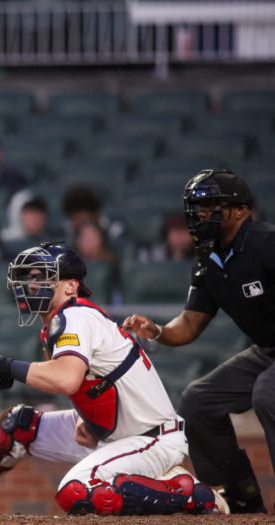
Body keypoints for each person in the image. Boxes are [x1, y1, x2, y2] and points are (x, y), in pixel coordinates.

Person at [0, 243, 222, 516]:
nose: (32, 284)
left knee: (77, 493)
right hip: (116, 431)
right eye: (30, 277)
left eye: (43, 277)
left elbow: (67, 380)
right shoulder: (66, 319)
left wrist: (0, 364)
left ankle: (188, 493)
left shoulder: (75, 316)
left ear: (71, 285)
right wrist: (90, 418)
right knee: (17, 427)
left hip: (152, 438)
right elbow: (94, 382)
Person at [122, 170, 275, 514]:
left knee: (268, 393)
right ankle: (241, 498)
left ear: (241, 210)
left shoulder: (268, 243)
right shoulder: (208, 257)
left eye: (210, 205)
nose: (201, 213)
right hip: (267, 350)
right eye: (197, 206)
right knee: (197, 402)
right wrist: (157, 330)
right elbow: (191, 323)